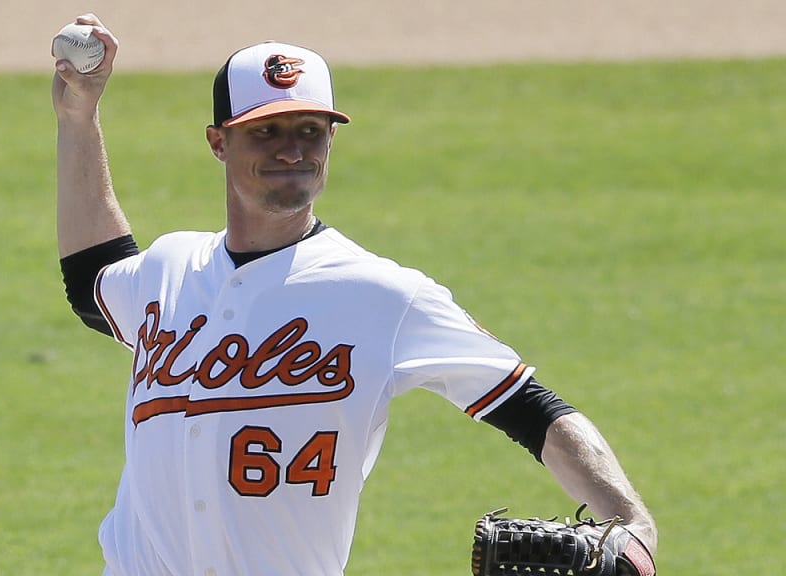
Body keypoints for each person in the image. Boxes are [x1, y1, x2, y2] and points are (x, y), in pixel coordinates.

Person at [52, 13, 658, 576]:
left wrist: (633, 523)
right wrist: (79, 117)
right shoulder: (170, 267)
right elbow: (91, 283)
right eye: (266, 131)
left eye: (310, 131)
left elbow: (532, 407)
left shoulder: (382, 294)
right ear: (218, 143)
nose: (292, 148)